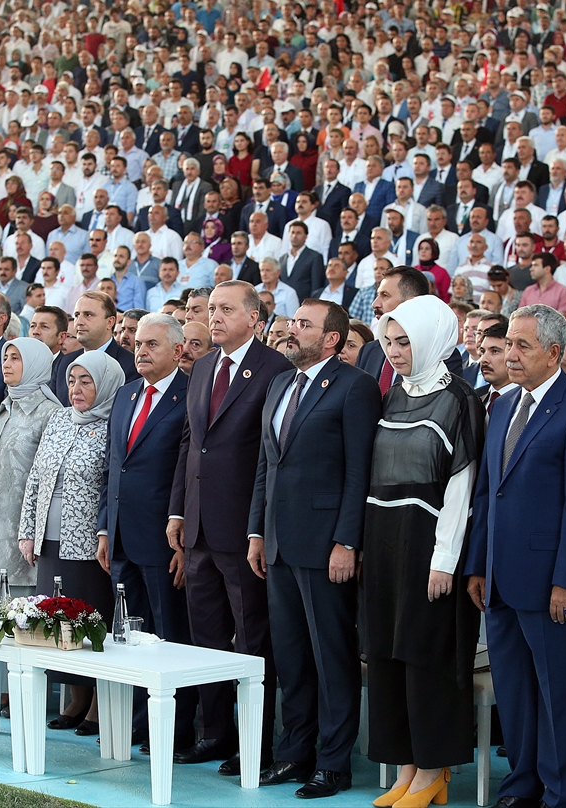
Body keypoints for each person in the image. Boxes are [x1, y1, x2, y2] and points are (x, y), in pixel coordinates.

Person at [465, 303, 566, 808]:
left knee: (557, 695)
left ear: (554, 353)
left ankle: (560, 793)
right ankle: (522, 785)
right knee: (515, 693)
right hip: (498, 579)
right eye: (508, 343)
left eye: (521, 346)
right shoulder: (504, 404)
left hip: (551, 582)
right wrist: (478, 564)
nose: (510, 354)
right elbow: (488, 492)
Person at [247, 299, 381, 798]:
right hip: (278, 542)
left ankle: (333, 762)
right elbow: (267, 464)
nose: (291, 329)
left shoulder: (355, 387)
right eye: (292, 321)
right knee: (291, 656)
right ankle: (294, 753)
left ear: (331, 339)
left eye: (304, 324)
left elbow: (359, 471)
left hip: (326, 545)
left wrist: (347, 540)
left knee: (331, 656)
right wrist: (256, 532)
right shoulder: (280, 383)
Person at [364, 295, 484, 807]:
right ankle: (406, 766)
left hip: (429, 546)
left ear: (432, 340)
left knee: (426, 658)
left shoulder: (459, 399)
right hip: (383, 542)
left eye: (404, 342)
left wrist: (444, 560)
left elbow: (461, 487)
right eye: (389, 342)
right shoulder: (392, 393)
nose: (394, 352)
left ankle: (434, 769)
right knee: (388, 657)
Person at [170, 280, 291, 773]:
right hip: (198, 527)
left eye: (225, 309)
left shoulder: (276, 369)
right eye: (211, 309)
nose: (213, 317)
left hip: (244, 530)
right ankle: (216, 733)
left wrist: (257, 527)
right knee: (207, 638)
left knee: (253, 640)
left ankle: (255, 742)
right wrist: (178, 511)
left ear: (254, 318)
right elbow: (190, 443)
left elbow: (270, 456)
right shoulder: (202, 367)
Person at [97, 313, 198, 754]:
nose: (141, 351)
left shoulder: (191, 395)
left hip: (164, 538)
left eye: (152, 344)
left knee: (169, 635)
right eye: (138, 343)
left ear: (178, 350)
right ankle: (138, 723)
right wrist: (104, 527)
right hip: (121, 536)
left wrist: (185, 538)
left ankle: (176, 729)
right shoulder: (126, 394)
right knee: (128, 637)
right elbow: (112, 466)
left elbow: (189, 472)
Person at [19, 351, 125, 734]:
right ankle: (76, 699)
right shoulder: (60, 418)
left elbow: (111, 484)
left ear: (105, 384)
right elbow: (36, 476)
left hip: (88, 543)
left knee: (91, 618)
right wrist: (27, 531)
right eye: (71, 381)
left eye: (85, 381)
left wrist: (105, 532)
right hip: (50, 538)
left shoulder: (115, 421)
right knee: (59, 619)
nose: (76, 389)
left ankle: (97, 704)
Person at [0, 337, 62, 602]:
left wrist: (33, 533)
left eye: (15, 358)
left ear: (35, 364)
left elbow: (49, 481)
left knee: (25, 609)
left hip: (26, 533)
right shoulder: (2, 410)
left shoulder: (51, 413)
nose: (6, 364)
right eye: (5, 358)